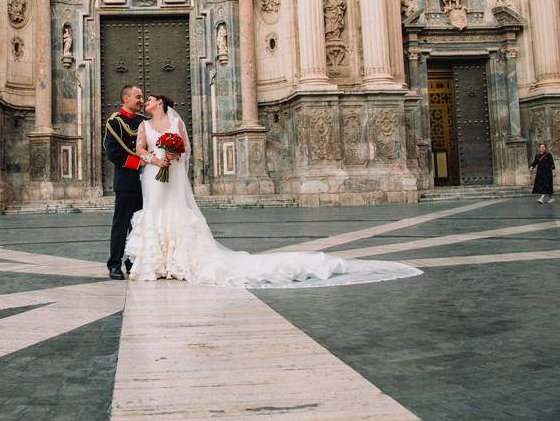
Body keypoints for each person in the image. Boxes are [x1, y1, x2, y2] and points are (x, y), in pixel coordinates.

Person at [123, 94, 420, 287]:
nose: (145, 102)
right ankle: (157, 261)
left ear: (160, 103)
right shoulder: (143, 125)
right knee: (155, 213)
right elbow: (139, 148)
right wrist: (153, 158)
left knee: (175, 211)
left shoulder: (175, 122)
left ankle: (176, 261)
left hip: (171, 173)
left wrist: (173, 155)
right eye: (142, 99)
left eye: (148, 99)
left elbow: (184, 146)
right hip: (152, 174)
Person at [103, 85, 147, 280]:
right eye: (138, 97)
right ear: (126, 98)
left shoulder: (144, 122)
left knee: (139, 225)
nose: (141, 100)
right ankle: (114, 264)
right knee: (121, 224)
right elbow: (112, 152)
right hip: (126, 180)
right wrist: (138, 163)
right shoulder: (116, 122)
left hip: (146, 183)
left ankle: (133, 262)